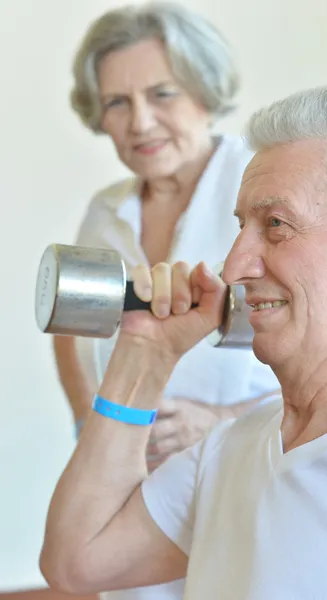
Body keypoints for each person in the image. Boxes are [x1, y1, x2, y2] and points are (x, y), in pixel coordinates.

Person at [41, 80, 327, 599]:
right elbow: (77, 562)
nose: (234, 265)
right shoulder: (236, 447)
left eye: (277, 225)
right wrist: (147, 353)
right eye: (241, 226)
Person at [52, 3, 281, 599]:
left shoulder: (260, 190)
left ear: (203, 92)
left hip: (247, 472)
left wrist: (222, 424)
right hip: (130, 487)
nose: (141, 122)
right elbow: (73, 331)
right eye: (118, 103)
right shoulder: (105, 212)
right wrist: (92, 426)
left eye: (162, 93)